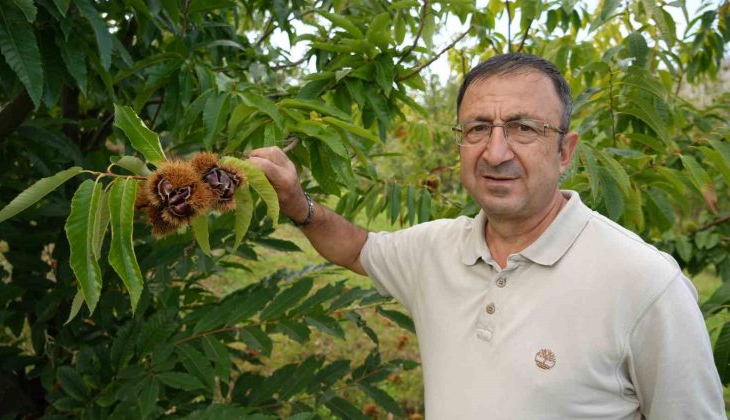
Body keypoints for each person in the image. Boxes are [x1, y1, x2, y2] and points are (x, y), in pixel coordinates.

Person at [248, 53, 725, 419]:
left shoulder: (644, 283)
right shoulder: (434, 250)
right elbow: (358, 247)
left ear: (565, 152)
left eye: (523, 128)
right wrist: (297, 204)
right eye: (478, 128)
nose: (496, 152)